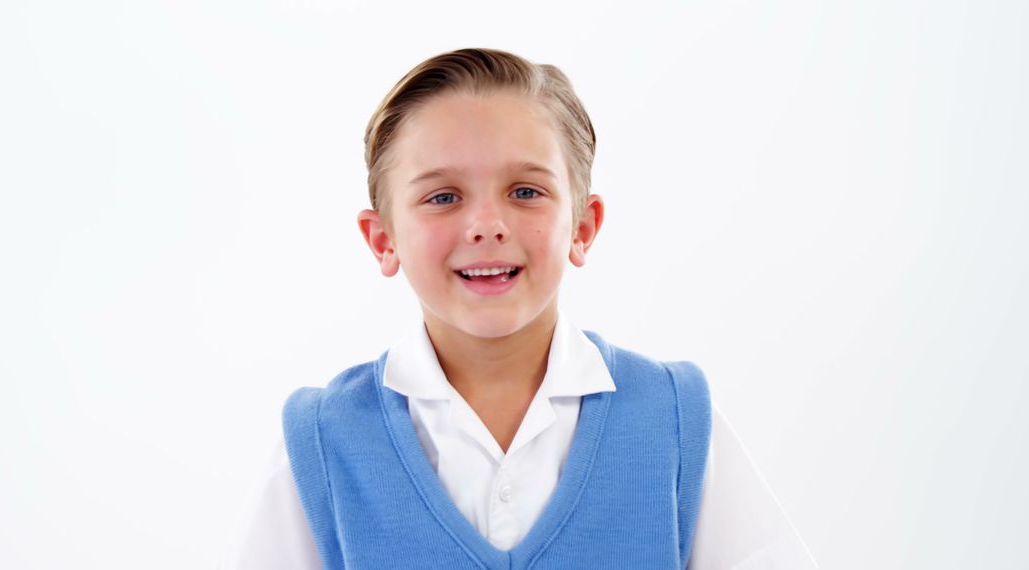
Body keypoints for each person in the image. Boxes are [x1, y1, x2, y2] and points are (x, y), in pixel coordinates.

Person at [220, 47, 818, 569]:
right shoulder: (323, 444)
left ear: (582, 227)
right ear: (384, 239)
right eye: (443, 196)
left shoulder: (675, 423)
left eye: (525, 192)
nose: (486, 225)